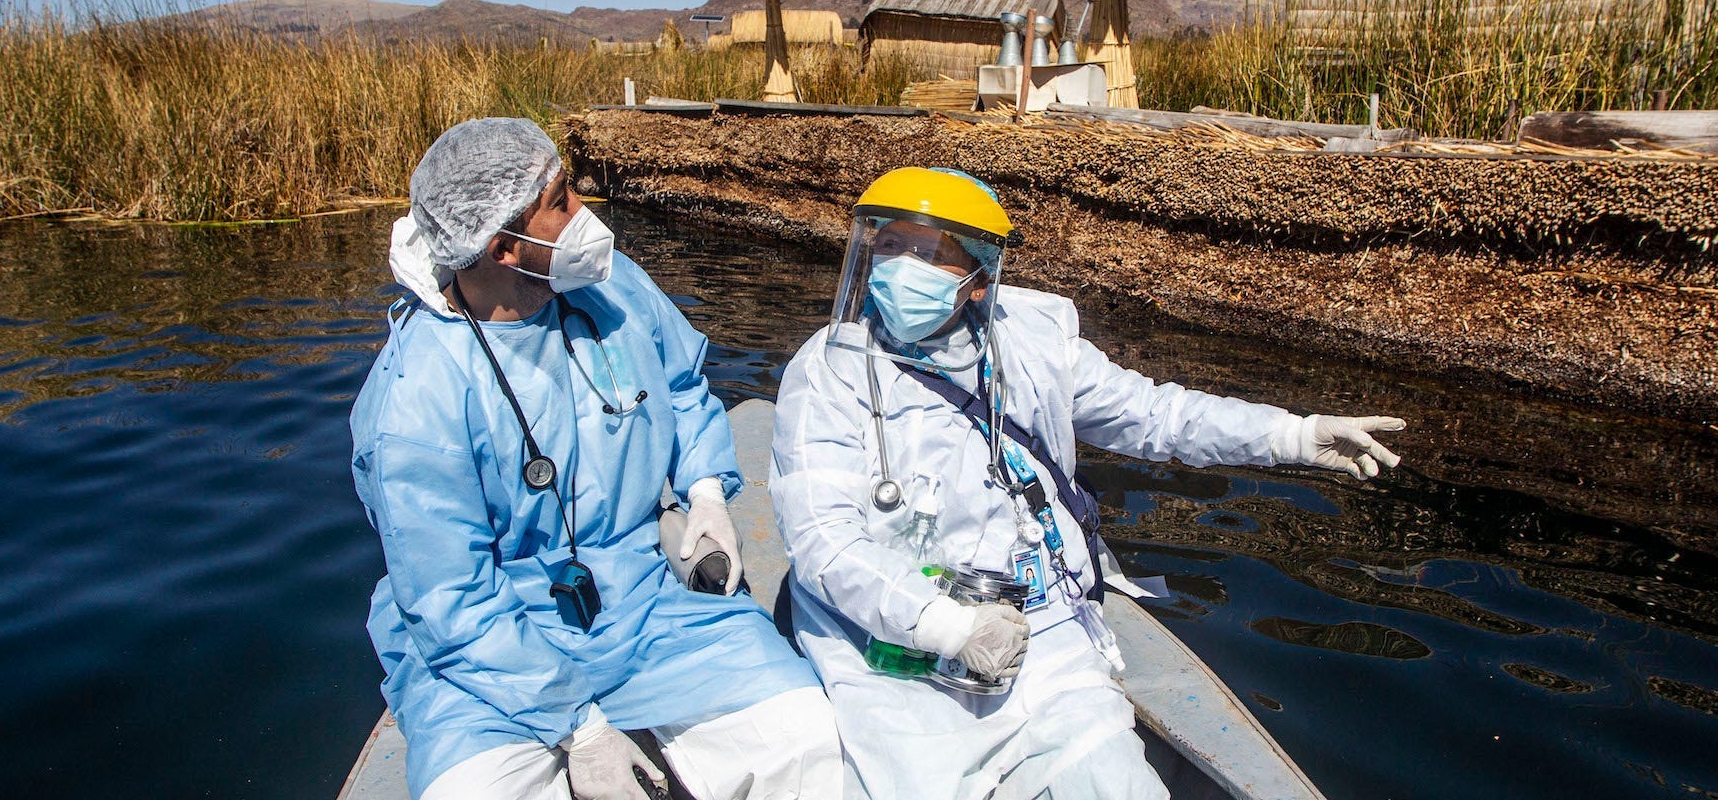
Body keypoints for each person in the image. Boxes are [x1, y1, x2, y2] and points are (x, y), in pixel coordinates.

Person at [769, 166, 1405, 800]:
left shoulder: (1034, 343)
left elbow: (1157, 416)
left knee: (1114, 779)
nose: (900, 267)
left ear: (979, 280)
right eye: (888, 245)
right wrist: (943, 625)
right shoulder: (829, 372)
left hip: (1043, 629)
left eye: (930, 251)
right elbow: (825, 540)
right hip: (893, 646)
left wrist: (1291, 436)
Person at [351, 118, 841, 800]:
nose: (584, 213)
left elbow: (680, 382)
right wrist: (577, 724)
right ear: (503, 248)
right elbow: (453, 602)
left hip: (645, 598)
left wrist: (702, 490)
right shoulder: (416, 398)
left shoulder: (608, 284)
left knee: (806, 737)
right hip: (498, 646)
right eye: (561, 201)